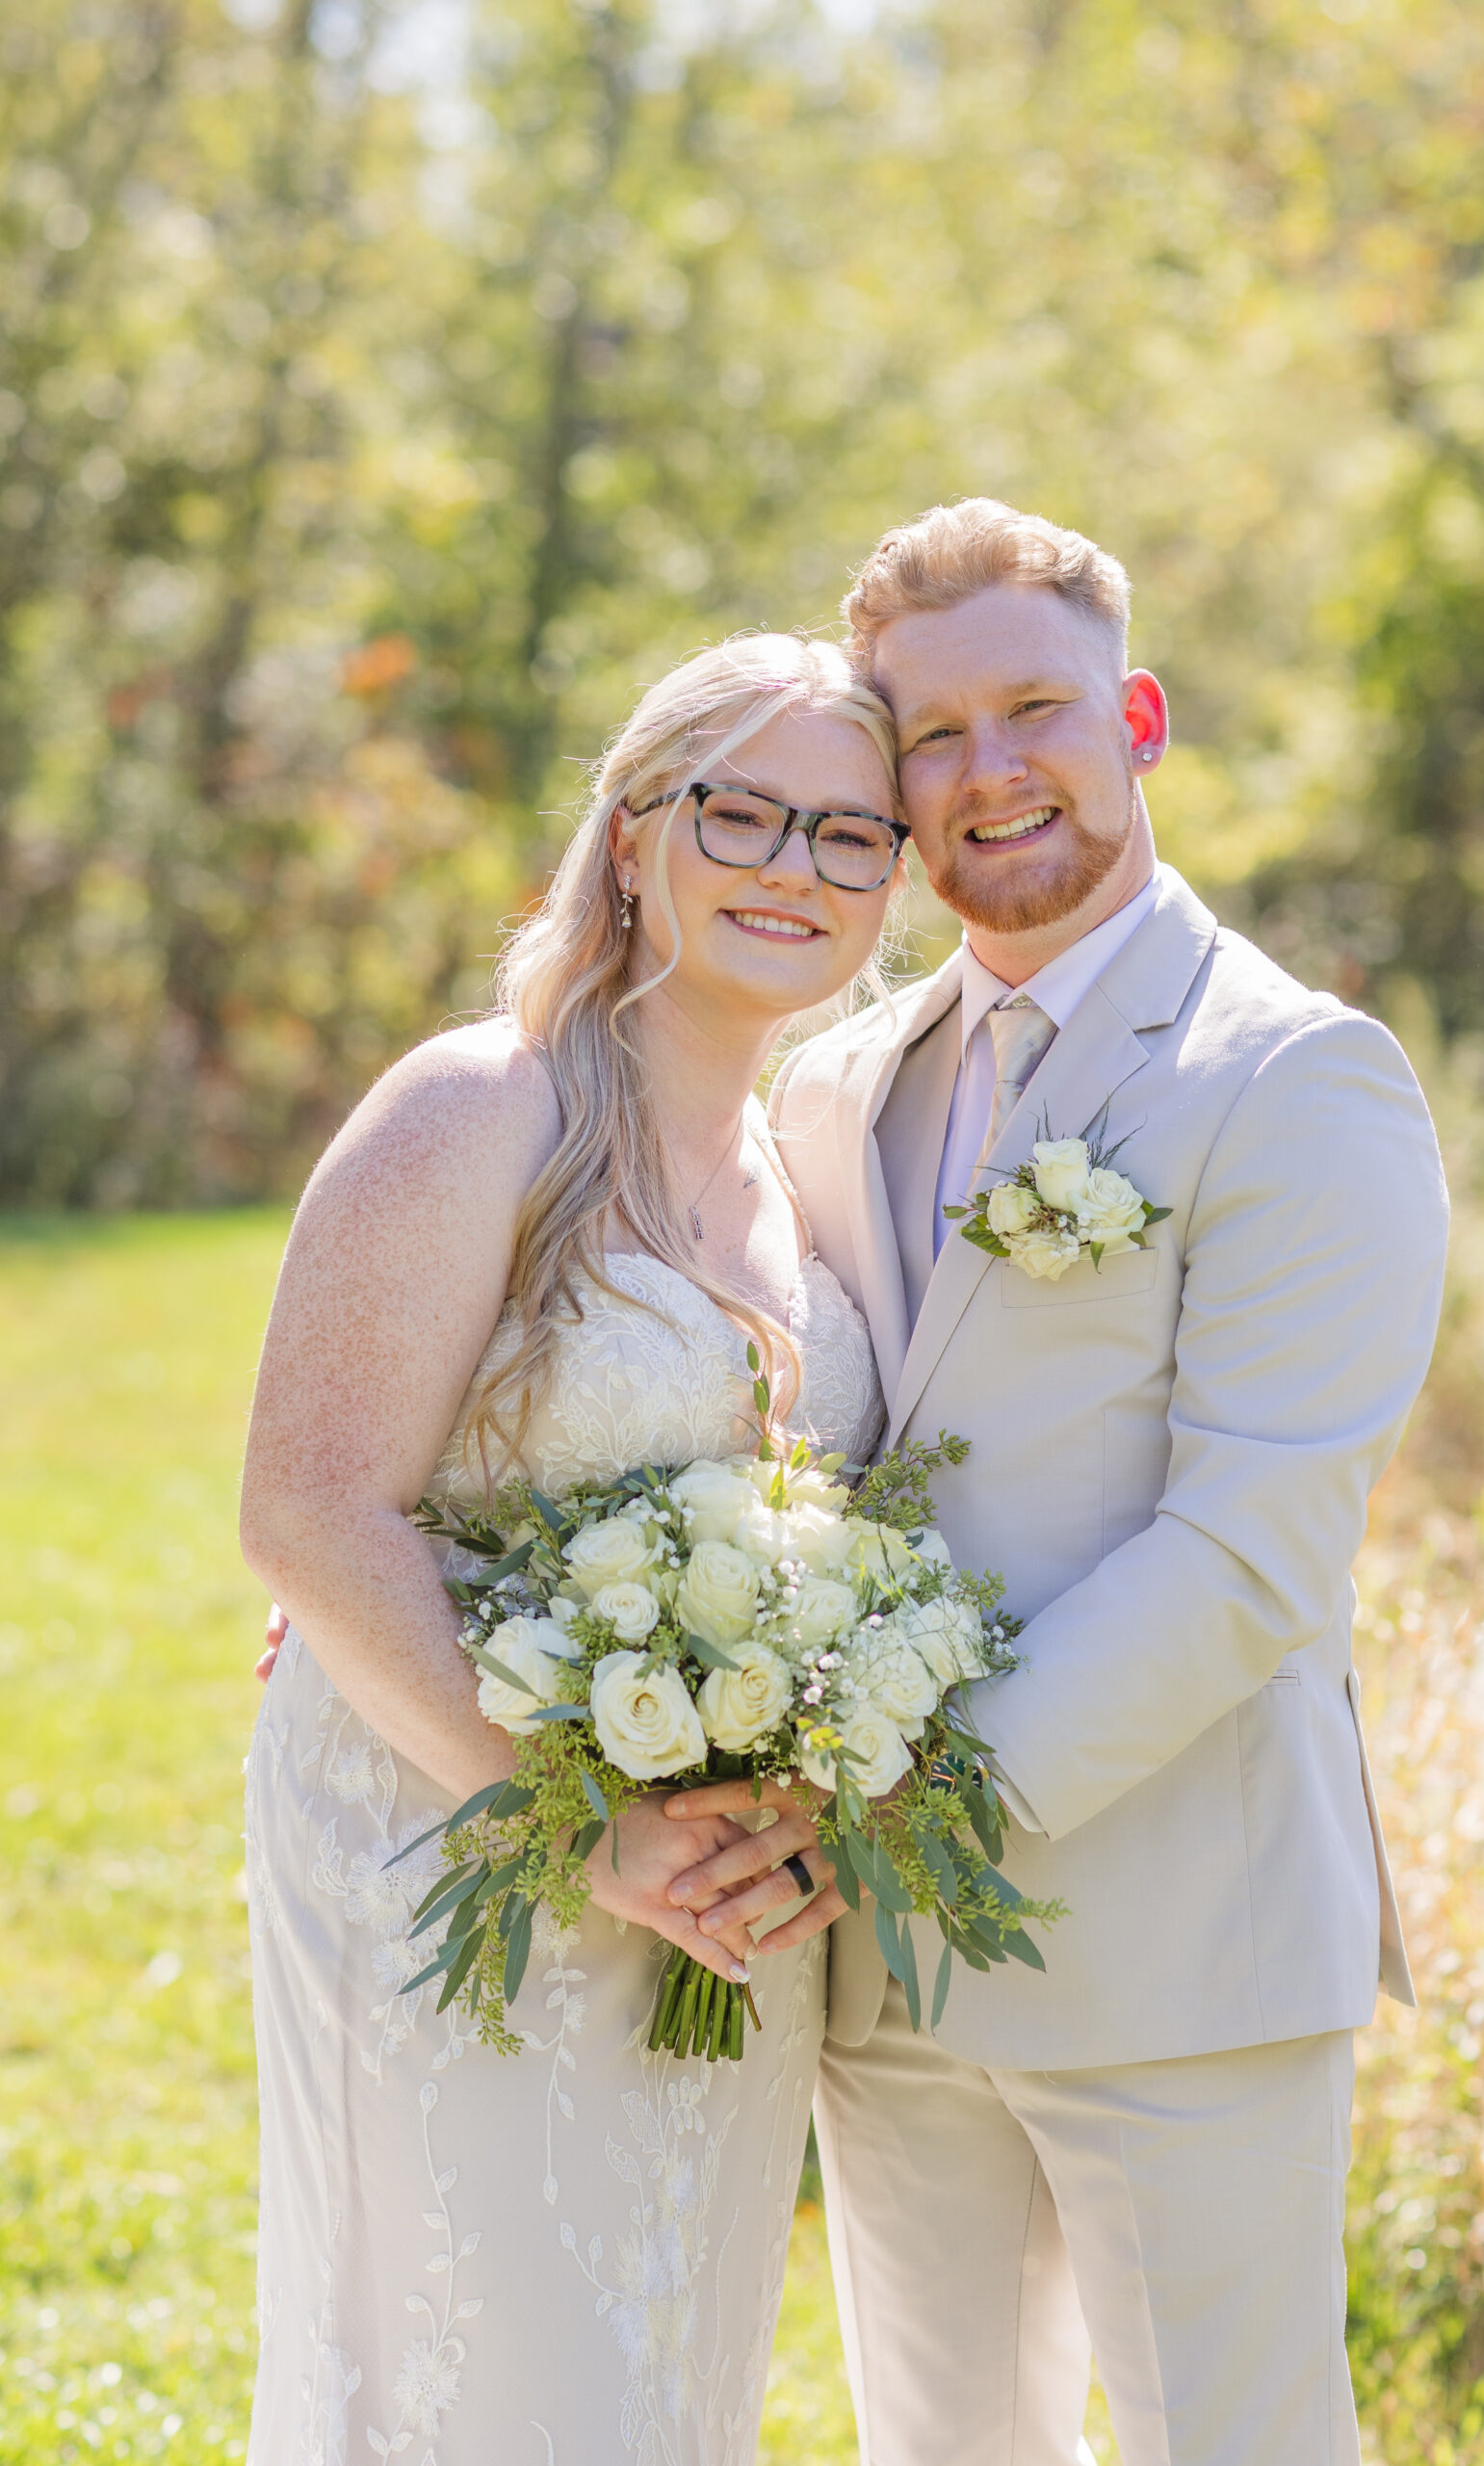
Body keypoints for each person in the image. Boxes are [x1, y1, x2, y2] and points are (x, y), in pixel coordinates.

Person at [664, 500, 1450, 2466]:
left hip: (1174, 1936)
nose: (985, 768)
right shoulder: (836, 1079)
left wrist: (906, 1810)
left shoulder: (1293, 1078)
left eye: (1033, 707)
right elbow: (761, 1415)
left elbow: (1249, 1544)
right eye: (927, 732)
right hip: (878, 1974)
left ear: (1139, 717)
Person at [237, 634, 898, 2464]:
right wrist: (584, 1824)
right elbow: (305, 1507)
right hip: (449, 1854)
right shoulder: (483, 1107)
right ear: (632, 835)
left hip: (709, 1908)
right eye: (744, 812)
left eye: (852, 835)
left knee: (653, 2379)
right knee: (473, 2370)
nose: (796, 869)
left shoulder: (802, 1175)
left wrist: (769, 1798)